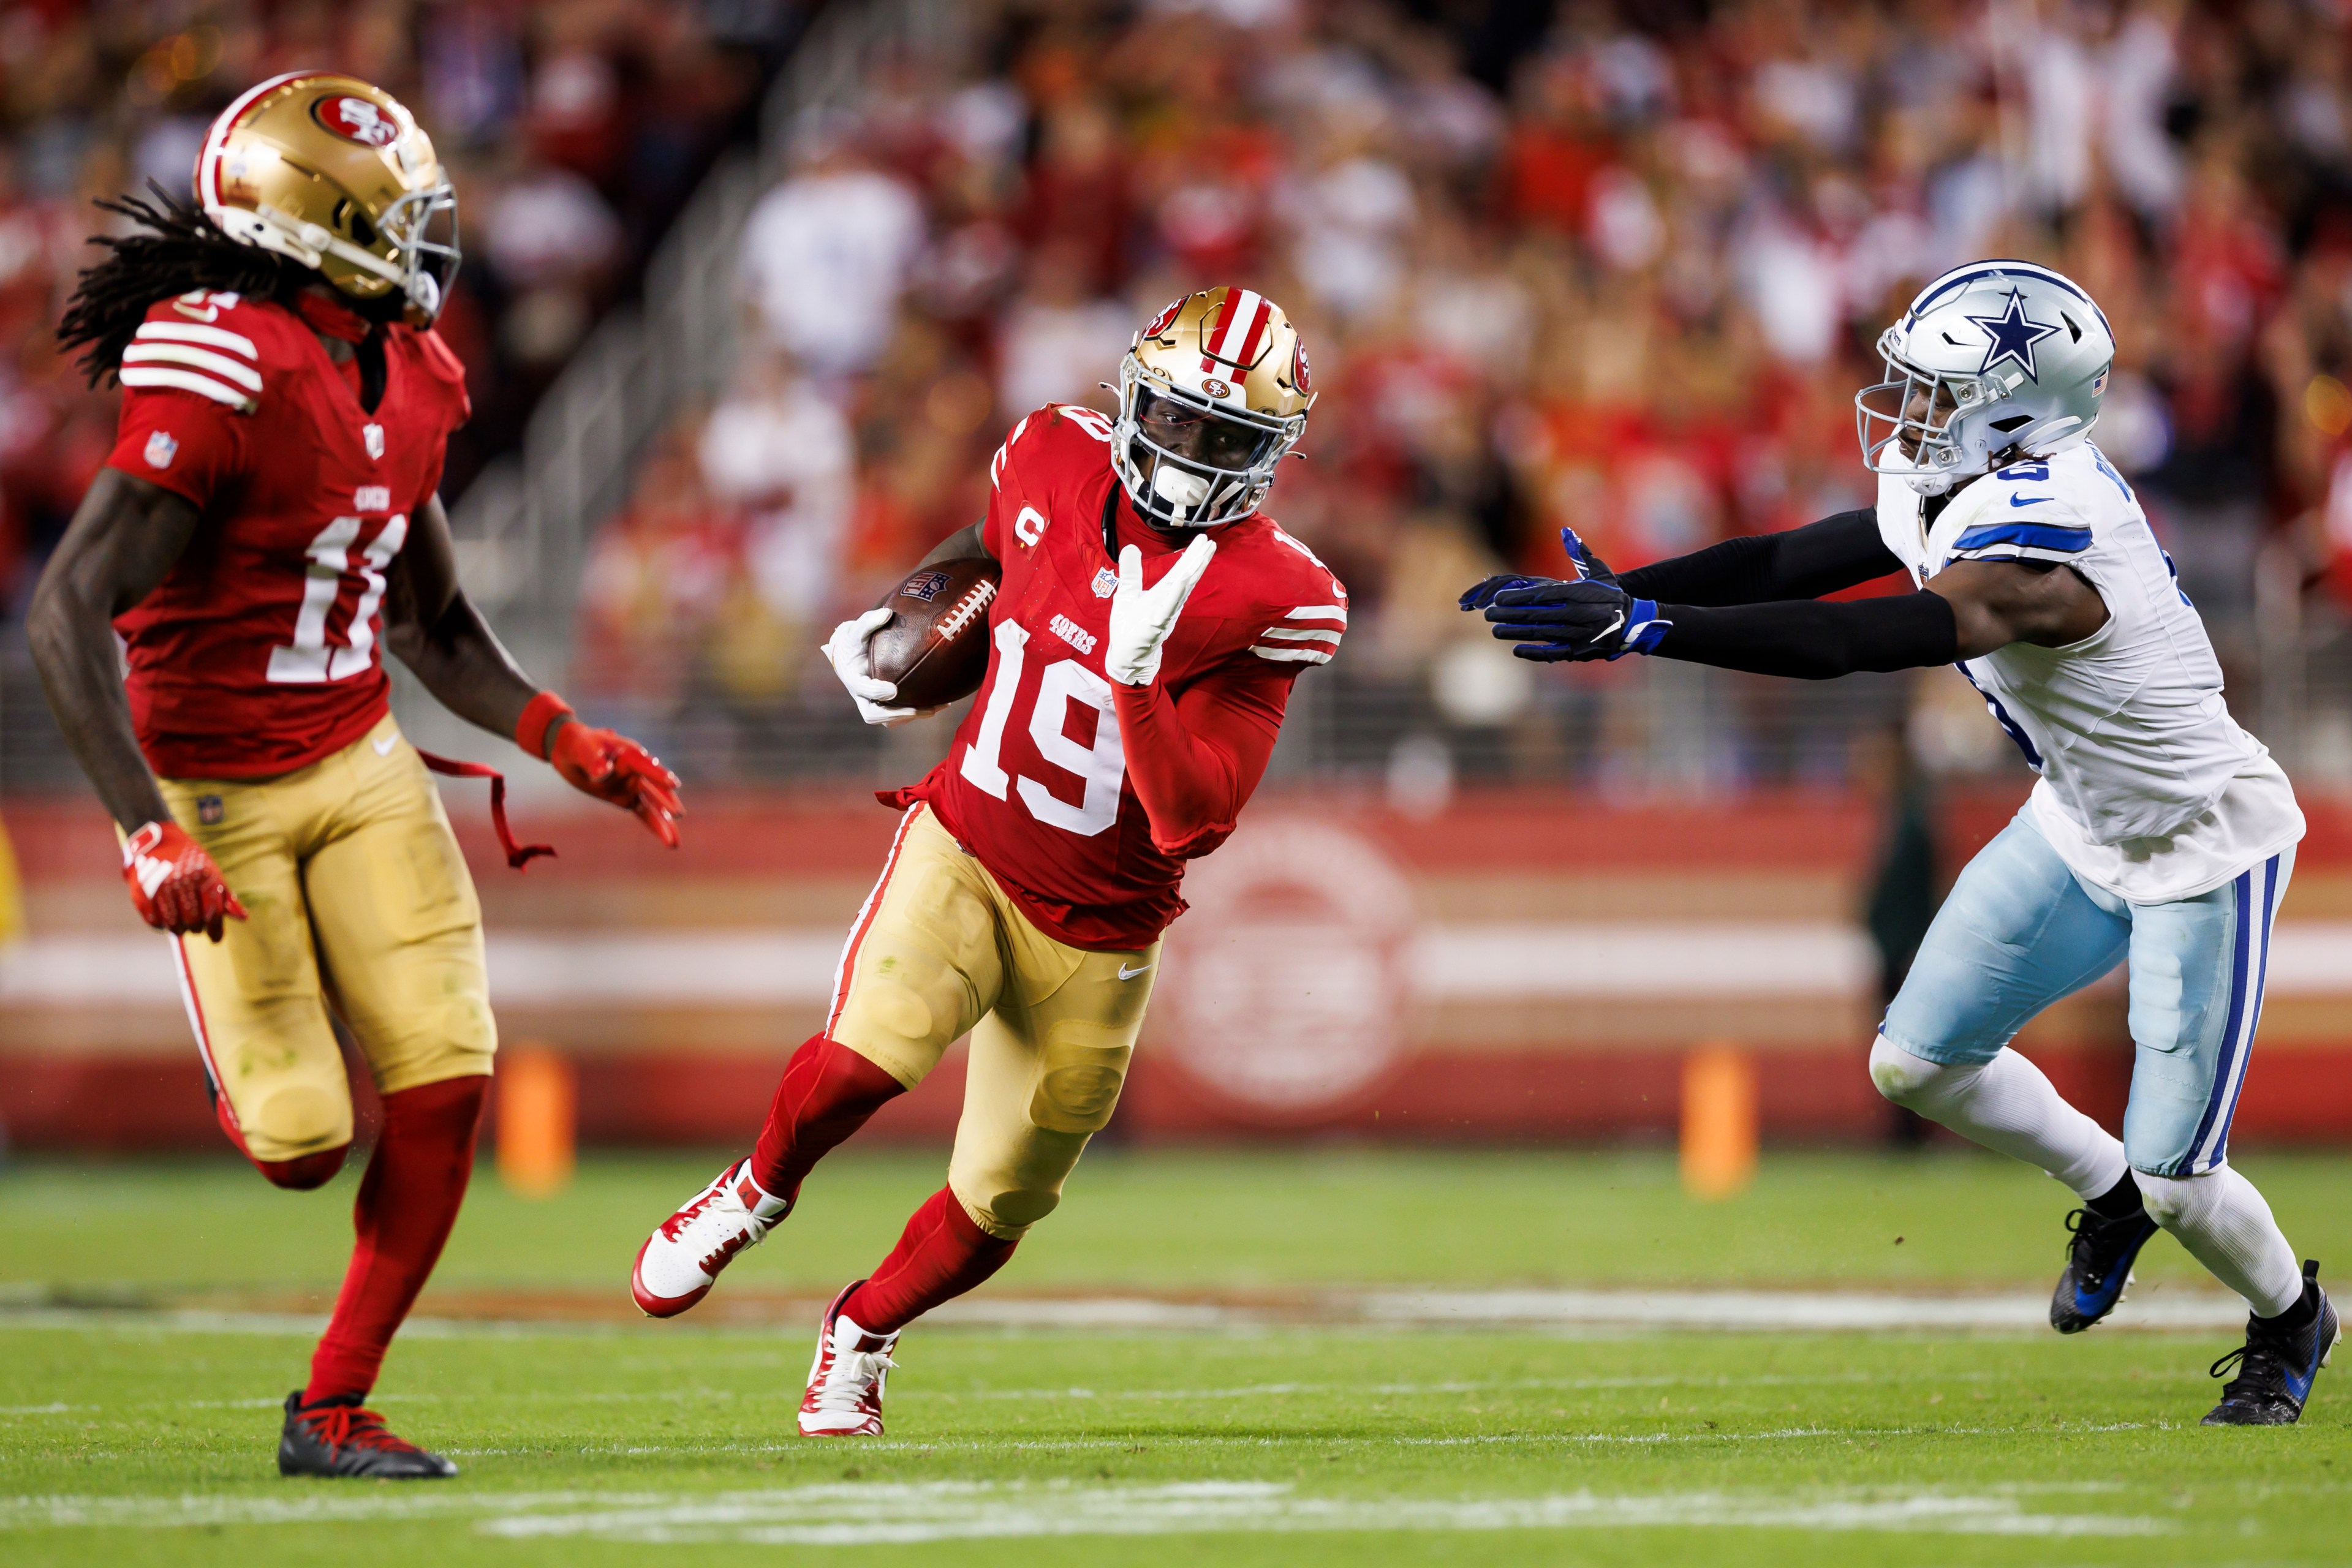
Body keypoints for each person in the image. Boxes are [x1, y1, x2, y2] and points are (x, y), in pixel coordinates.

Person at [1464, 259, 2335, 1427]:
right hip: (2079, 819)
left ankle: (2291, 1316)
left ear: (2016, 416)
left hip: (2197, 844)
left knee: (2187, 1182)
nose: (1907, 411)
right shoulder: (1957, 478)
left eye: (1935, 391)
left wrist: (1653, 629)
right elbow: (1792, 563)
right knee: (1916, 1065)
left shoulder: (2050, 543)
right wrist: (1622, 598)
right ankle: (2106, 1189)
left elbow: (1865, 641)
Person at [29, 73, 681, 1479]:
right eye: (399, 215)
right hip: (216, 791)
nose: (431, 239)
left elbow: (432, 618)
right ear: (312, 226)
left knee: (449, 1073)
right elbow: (62, 611)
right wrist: (144, 835)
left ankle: (332, 1406)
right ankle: (253, 1053)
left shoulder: (416, 369)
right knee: (304, 1140)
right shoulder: (218, 366)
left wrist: (567, 737)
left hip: (361, 756)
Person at [630, 287, 1344, 1436]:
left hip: (1101, 928)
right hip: (965, 842)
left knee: (1003, 1196)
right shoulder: (1053, 453)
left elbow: (1194, 821)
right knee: (869, 1058)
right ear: (1131, 398)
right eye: (1175, 418)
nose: (1190, 454)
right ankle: (752, 1193)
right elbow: (992, 551)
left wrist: (1136, 678)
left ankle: (860, 1335)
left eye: (1227, 439)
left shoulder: (1280, 595)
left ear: (1274, 455)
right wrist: (906, 620)